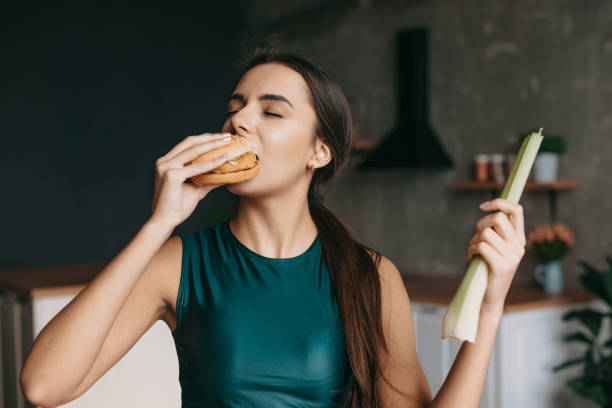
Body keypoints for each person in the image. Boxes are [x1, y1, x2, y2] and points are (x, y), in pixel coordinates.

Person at [20, 46, 527, 408]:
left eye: (272, 111)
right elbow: (43, 387)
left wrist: (490, 306)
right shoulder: (178, 262)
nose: (239, 122)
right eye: (235, 109)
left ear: (318, 151)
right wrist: (160, 223)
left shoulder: (369, 275)